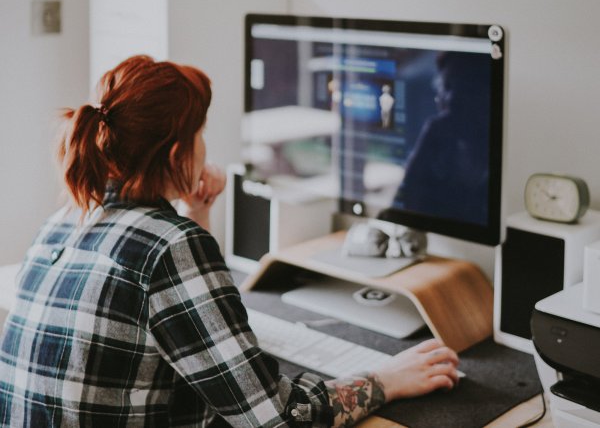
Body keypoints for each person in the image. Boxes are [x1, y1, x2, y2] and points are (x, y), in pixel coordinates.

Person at [0, 55, 460, 427]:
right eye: (200, 133)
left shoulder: (66, 219)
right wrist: (387, 379)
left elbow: (173, 320)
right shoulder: (170, 247)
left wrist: (196, 214)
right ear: (179, 153)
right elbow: (277, 419)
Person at [393, 51, 491, 225]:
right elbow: (406, 199)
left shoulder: (494, 148)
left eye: (463, 87)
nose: (451, 98)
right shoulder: (437, 134)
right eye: (446, 86)